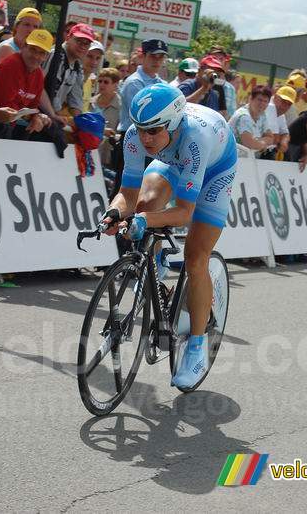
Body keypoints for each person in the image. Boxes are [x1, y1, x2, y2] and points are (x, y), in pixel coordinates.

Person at [101, 83, 237, 389]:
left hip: (215, 168)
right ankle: (155, 260)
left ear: (173, 123)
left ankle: (197, 347)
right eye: (140, 129)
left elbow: (184, 212)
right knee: (146, 202)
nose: (144, 138)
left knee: (195, 258)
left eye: (153, 130)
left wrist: (143, 220)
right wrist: (113, 213)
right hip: (173, 160)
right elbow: (128, 193)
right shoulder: (139, 137)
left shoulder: (194, 139)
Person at [0, 29, 60, 147]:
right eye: (33, 49)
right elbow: (2, 104)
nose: (36, 56)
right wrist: (32, 116)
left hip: (7, 126)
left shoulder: (38, 73)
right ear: (24, 47)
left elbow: (34, 105)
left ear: (46, 56)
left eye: (41, 52)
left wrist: (35, 116)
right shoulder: (12, 65)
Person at [111, 38, 166, 192]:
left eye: (161, 57)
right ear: (143, 57)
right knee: (126, 190)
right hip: (133, 140)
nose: (157, 60)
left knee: (145, 191)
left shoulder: (161, 83)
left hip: (151, 141)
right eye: (153, 56)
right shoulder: (134, 82)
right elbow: (144, 117)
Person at [41, 22, 93, 124]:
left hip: (51, 116)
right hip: (39, 114)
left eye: (86, 44)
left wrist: (81, 122)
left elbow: (76, 99)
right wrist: (56, 114)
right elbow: (45, 88)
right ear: (68, 38)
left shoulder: (77, 64)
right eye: (79, 41)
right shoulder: (56, 55)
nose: (83, 46)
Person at [89, 67, 120, 168]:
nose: (101, 84)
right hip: (88, 151)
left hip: (107, 157)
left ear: (115, 85)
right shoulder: (90, 102)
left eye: (106, 82)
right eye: (100, 81)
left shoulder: (122, 106)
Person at [228, 84, 273, 153]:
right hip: (232, 157)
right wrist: (263, 144)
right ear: (251, 99)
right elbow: (249, 143)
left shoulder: (262, 115)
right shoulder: (243, 116)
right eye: (259, 100)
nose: (262, 104)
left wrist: (257, 141)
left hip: (248, 159)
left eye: (265, 101)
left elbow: (270, 138)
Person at [264, 85, 296, 160]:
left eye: (289, 104)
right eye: (283, 101)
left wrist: (284, 142)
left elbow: (286, 133)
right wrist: (281, 141)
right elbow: (275, 139)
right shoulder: (270, 107)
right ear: (275, 97)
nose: (285, 106)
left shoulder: (280, 112)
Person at [82, 39, 104, 111]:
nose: (94, 62)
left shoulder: (89, 82)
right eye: (90, 56)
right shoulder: (72, 78)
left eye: (98, 58)